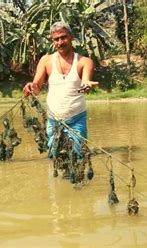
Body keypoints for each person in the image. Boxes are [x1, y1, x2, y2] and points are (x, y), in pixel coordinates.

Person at [23, 21, 98, 158]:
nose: (60, 42)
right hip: (53, 120)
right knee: (54, 157)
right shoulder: (46, 61)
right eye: (56, 39)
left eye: (63, 37)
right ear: (52, 41)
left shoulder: (84, 61)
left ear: (71, 37)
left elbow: (86, 81)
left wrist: (87, 85)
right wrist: (30, 87)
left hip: (77, 119)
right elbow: (37, 86)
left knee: (78, 157)